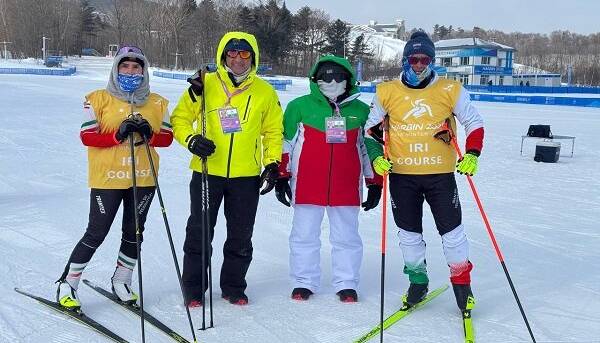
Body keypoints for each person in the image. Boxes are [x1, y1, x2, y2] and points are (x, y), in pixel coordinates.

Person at [364, 31, 484, 312]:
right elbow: (370, 132)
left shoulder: (450, 89)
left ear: (432, 61)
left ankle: (462, 284)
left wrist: (473, 154)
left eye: (425, 59)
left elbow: (474, 122)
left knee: (452, 233)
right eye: (414, 59)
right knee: (409, 234)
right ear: (405, 60)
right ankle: (418, 281)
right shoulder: (387, 91)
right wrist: (376, 159)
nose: (419, 65)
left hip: (440, 176)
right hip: (402, 175)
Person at [170, 32, 283, 307]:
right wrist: (192, 140)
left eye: (244, 54)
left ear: (252, 58)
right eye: (232, 53)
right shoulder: (204, 83)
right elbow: (180, 119)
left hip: (245, 176)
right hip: (208, 171)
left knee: (241, 234)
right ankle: (194, 288)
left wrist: (272, 162)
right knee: (200, 231)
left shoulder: (265, 92)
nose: (238, 59)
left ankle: (233, 287)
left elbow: (272, 131)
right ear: (223, 55)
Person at [56, 46, 173, 310]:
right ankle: (68, 283)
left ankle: (122, 280)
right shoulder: (97, 99)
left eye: (136, 67)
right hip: (107, 178)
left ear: (144, 71)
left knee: (134, 233)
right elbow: (87, 136)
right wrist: (117, 135)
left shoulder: (157, 102)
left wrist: (149, 133)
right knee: (96, 232)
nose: (131, 72)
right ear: (116, 69)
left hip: (143, 178)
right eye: (125, 66)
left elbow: (167, 138)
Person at [274, 56, 382, 303]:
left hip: (345, 185)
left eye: (338, 77)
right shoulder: (299, 106)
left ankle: (346, 282)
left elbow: (369, 148)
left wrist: (374, 182)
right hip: (307, 183)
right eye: (325, 77)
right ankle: (304, 281)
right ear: (315, 79)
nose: (331, 81)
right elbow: (285, 143)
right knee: (304, 235)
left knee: (347, 236)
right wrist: (282, 175)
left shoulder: (362, 111)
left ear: (348, 79)